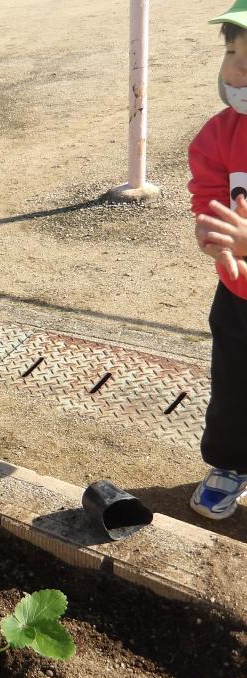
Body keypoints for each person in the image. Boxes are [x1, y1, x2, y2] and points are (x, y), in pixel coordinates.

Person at [185, 0, 247, 520]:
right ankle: (229, 462)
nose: (235, 70)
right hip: (238, 293)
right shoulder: (220, 134)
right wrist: (215, 236)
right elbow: (207, 191)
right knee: (232, 385)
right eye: (232, 52)